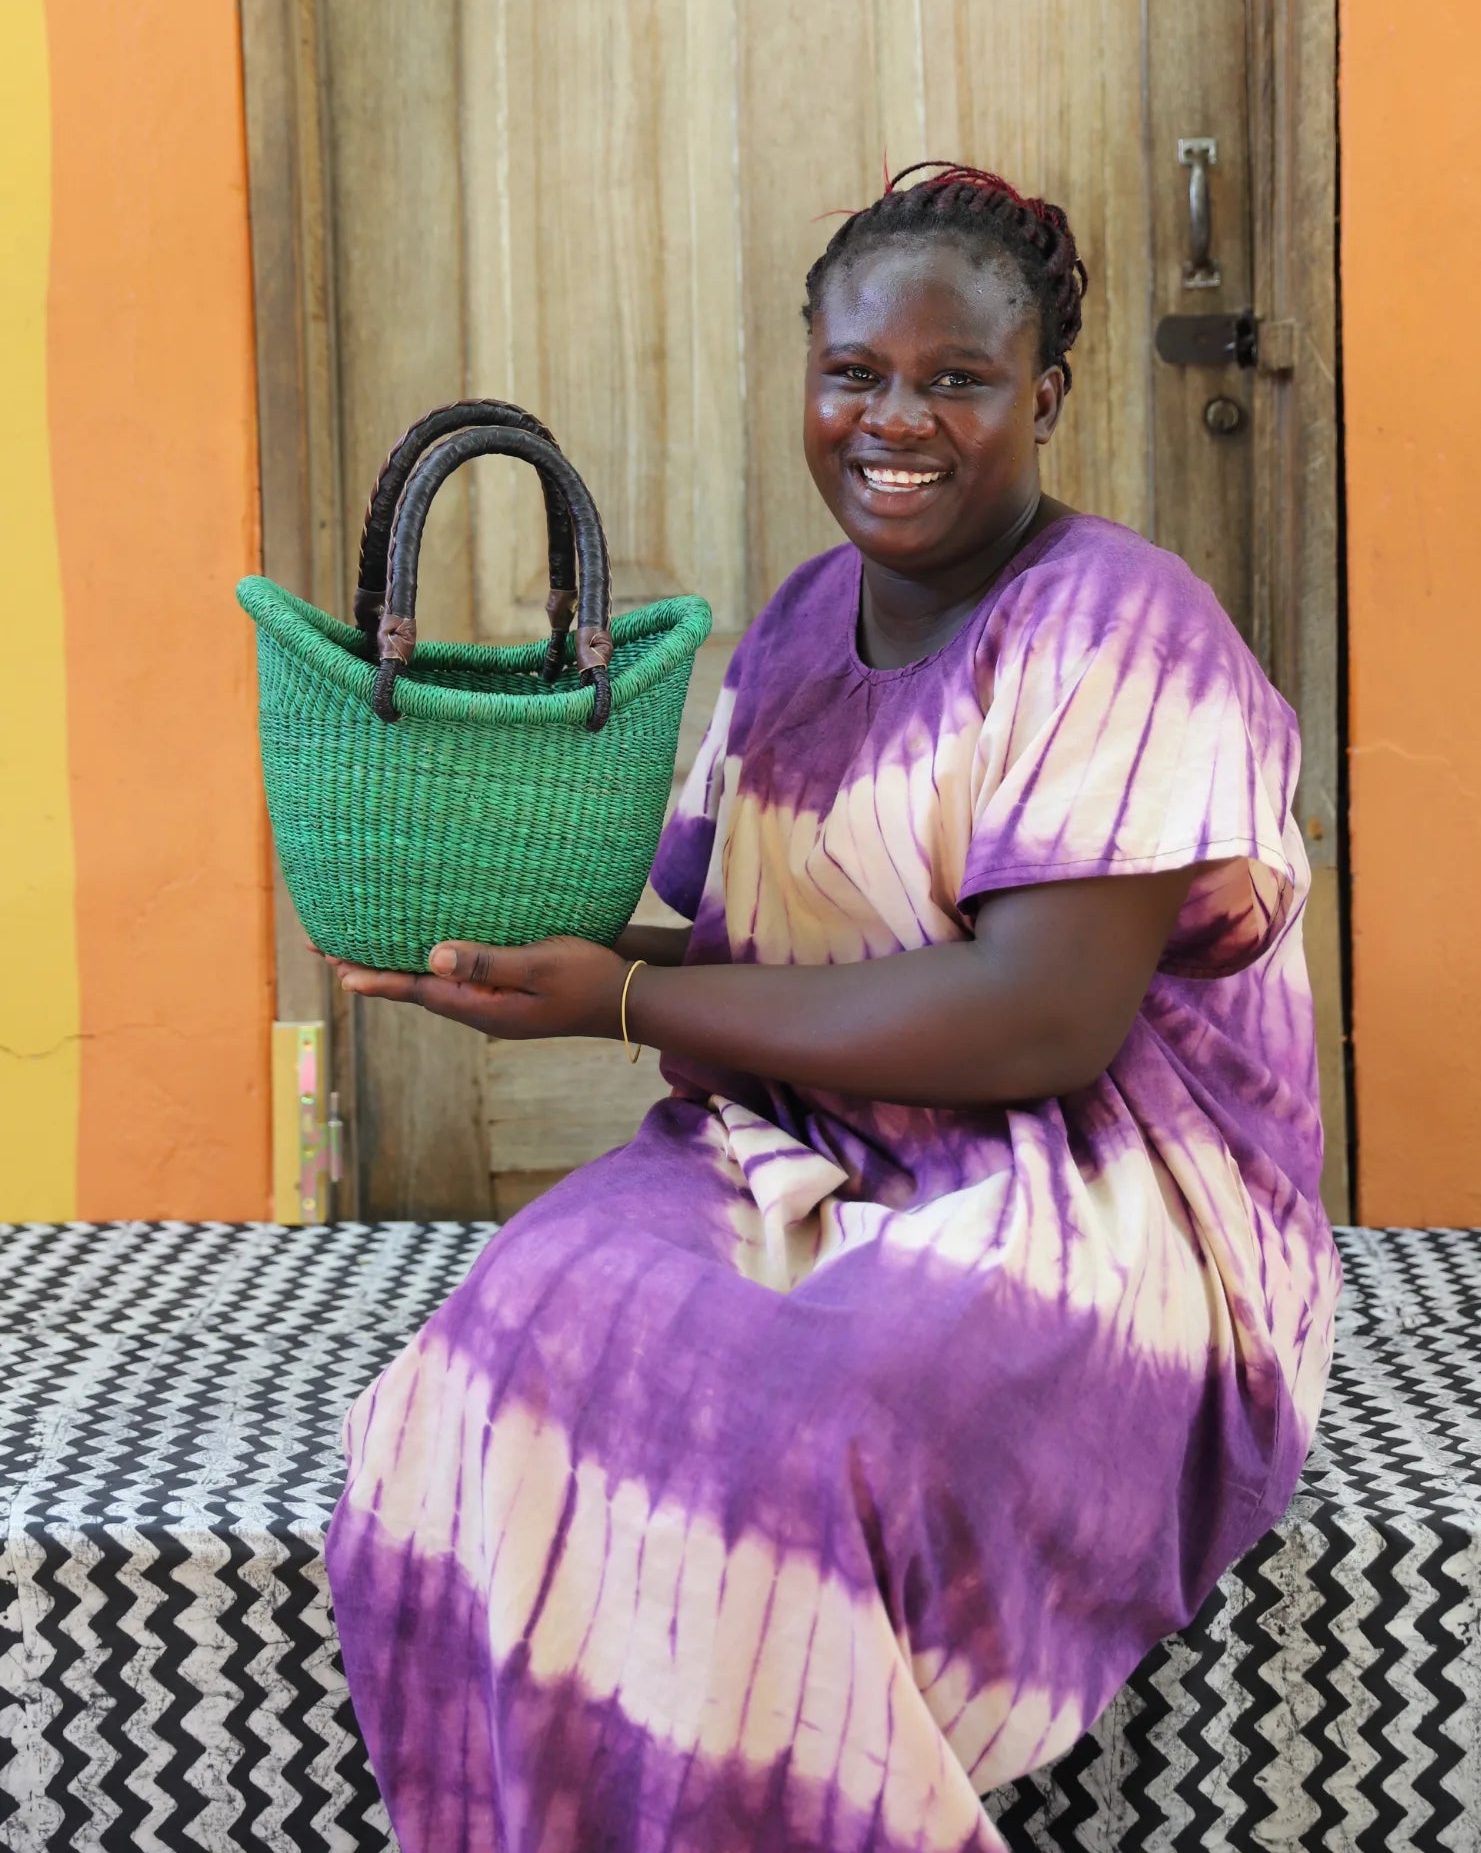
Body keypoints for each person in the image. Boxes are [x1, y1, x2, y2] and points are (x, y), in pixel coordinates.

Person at [326, 163, 1340, 1853]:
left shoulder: (1122, 626)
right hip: (794, 1145)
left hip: (1092, 1204)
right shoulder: (801, 626)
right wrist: (523, 968)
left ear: (1046, 398)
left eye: (960, 380)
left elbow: (1038, 1025)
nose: (898, 421)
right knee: (504, 1350)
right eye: (856, 373)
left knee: (793, 1443)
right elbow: (756, 952)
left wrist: (618, 1006)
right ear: (805, 376)